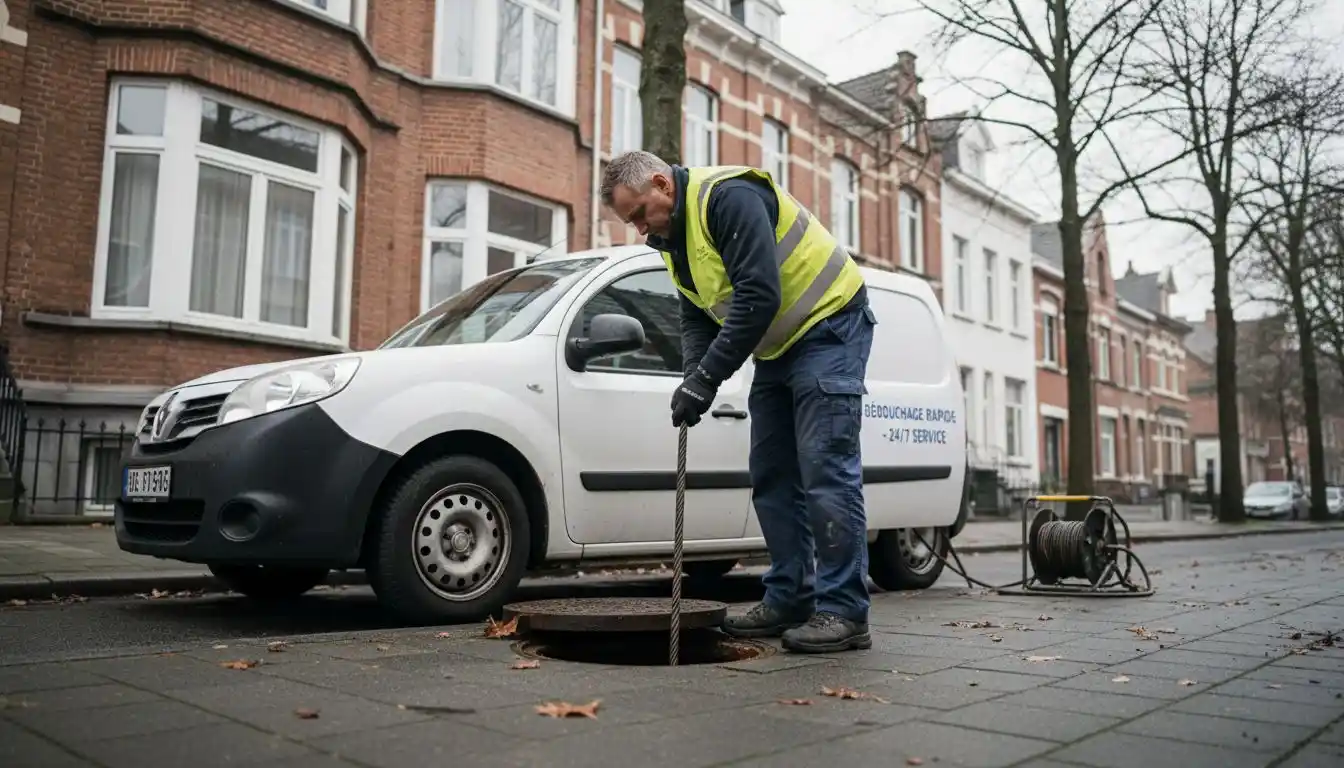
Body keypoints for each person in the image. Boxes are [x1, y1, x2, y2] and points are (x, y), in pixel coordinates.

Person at [599, 150, 876, 653]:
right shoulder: (672, 239)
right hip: (779, 345)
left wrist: (707, 379)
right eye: (630, 221)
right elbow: (697, 315)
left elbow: (758, 296)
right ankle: (790, 597)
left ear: (661, 184)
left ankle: (845, 610)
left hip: (831, 324)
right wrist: (691, 381)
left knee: (824, 468)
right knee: (771, 474)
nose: (639, 228)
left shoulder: (730, 197)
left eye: (639, 213)